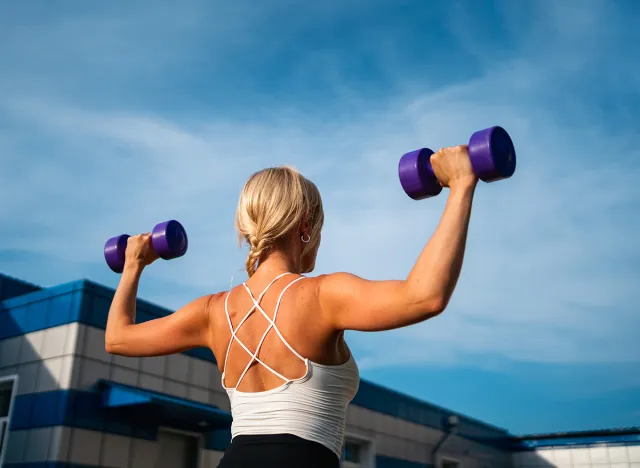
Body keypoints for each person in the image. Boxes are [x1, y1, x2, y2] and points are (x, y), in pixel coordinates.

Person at [105, 144, 478, 467]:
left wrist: (133, 266)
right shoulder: (322, 295)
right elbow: (424, 296)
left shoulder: (212, 312)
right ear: (305, 225)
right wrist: (460, 185)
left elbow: (118, 339)